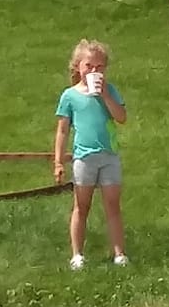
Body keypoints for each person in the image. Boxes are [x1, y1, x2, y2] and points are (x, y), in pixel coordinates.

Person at [54, 38, 128, 269]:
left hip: (109, 155)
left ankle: (119, 253)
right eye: (89, 66)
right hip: (84, 157)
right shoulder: (70, 96)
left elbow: (121, 117)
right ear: (78, 67)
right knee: (81, 205)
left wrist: (105, 95)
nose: (94, 71)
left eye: (100, 67)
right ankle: (77, 254)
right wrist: (58, 161)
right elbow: (63, 129)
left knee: (113, 205)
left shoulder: (110, 90)